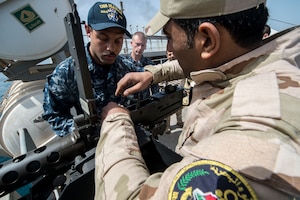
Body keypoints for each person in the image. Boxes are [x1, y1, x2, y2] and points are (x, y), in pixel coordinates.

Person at [95, 0, 300, 199]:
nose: (170, 49)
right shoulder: (266, 59)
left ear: (208, 39)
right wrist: (154, 74)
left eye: (169, 37)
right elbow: (209, 62)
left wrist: (116, 122)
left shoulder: (255, 132)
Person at [42, 2, 137, 137]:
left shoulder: (128, 69)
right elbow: (54, 115)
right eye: (103, 38)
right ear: (88, 31)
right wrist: (84, 132)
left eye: (118, 40)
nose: (111, 48)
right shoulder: (67, 73)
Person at [125, 31, 159, 100]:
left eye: (142, 45)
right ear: (131, 43)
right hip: (128, 105)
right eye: (137, 44)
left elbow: (155, 87)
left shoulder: (149, 64)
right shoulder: (123, 64)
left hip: (145, 103)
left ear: (145, 46)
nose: (140, 48)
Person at [163, 50, 184, 134]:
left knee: (179, 107)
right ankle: (167, 126)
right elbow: (161, 80)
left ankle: (179, 121)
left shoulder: (180, 64)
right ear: (166, 55)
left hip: (180, 89)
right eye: (169, 54)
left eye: (173, 54)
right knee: (168, 111)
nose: (171, 56)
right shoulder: (164, 66)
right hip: (169, 91)